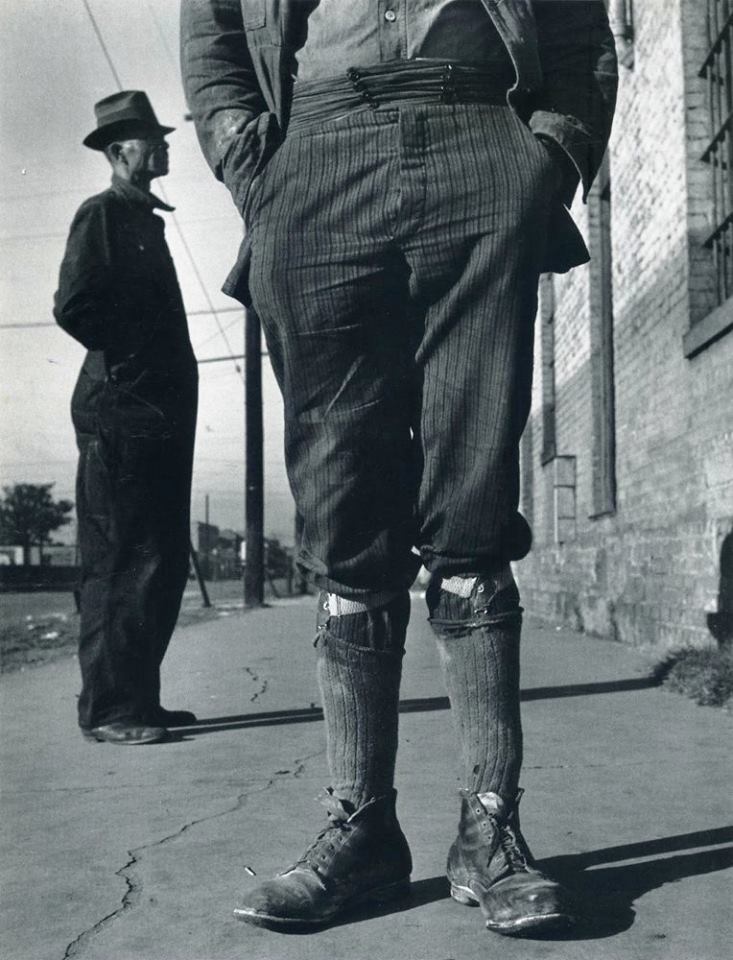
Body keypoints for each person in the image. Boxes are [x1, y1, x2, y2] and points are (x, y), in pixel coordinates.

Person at [181, 0, 617, 936]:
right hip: (315, 156)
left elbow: (580, 28)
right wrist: (256, 168)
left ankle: (490, 832)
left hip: (480, 142)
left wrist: (548, 156)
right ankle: (361, 832)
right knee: (341, 504)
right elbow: (214, 35)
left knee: (471, 499)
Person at [54, 91, 199, 746]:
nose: (163, 146)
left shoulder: (143, 218)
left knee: (158, 557)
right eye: (150, 139)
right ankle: (109, 710)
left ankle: (138, 699)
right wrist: (137, 360)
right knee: (120, 558)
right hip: (123, 411)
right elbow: (75, 306)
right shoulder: (103, 214)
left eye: (163, 137)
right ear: (118, 152)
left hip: (157, 414)